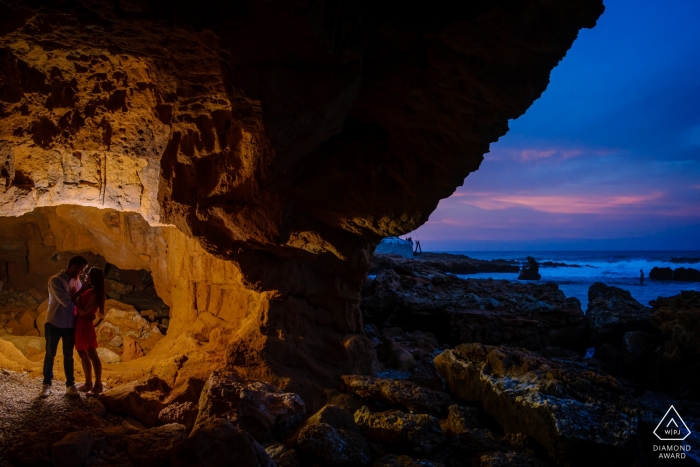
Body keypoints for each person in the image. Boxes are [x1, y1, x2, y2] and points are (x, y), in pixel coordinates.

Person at [41, 255, 89, 398]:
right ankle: (46, 384)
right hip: (54, 323)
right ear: (73, 267)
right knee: (50, 355)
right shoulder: (55, 280)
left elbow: (79, 300)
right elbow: (66, 302)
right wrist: (81, 291)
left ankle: (70, 385)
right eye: (81, 270)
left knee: (69, 356)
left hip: (69, 324)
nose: (81, 273)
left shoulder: (76, 281)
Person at [75, 267, 106, 396]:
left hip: (84, 326)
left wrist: (74, 300)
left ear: (94, 277)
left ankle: (98, 385)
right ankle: (88, 383)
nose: (86, 275)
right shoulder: (90, 290)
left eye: (89, 273)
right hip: (79, 324)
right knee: (82, 354)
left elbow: (83, 311)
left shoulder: (94, 293)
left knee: (92, 355)